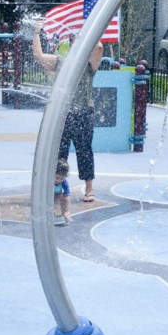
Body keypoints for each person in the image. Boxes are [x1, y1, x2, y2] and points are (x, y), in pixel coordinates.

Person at [32, 29, 104, 203]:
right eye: (74, 42)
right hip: (62, 115)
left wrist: (88, 34)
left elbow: (100, 48)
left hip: (83, 114)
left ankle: (89, 187)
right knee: (59, 151)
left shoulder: (88, 66)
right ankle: (57, 185)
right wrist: (35, 33)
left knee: (84, 151)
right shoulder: (61, 63)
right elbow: (40, 57)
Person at [53, 158, 72, 226]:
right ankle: (51, 213)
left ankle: (65, 214)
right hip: (48, 196)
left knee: (64, 197)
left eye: (62, 178)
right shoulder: (48, 181)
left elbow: (67, 195)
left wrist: (67, 211)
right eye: (57, 178)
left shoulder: (64, 182)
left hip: (57, 195)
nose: (59, 180)